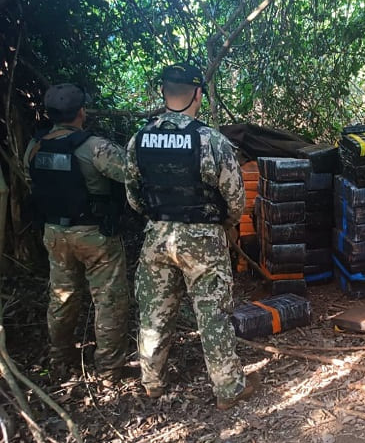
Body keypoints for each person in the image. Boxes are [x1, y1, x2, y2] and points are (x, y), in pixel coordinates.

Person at [125, 62, 256, 410]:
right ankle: (228, 389)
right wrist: (224, 225)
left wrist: (158, 219)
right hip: (202, 237)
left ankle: (152, 382)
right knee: (213, 312)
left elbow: (133, 196)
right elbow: (234, 198)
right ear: (198, 93)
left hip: (157, 235)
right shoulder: (210, 140)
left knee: (154, 311)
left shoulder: (139, 139)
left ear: (163, 92)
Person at [25, 83, 129, 382]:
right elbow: (130, 173)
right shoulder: (95, 147)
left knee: (62, 296)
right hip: (94, 235)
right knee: (108, 300)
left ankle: (61, 360)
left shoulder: (35, 146)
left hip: (54, 233)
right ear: (81, 112)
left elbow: (31, 180)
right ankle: (109, 369)